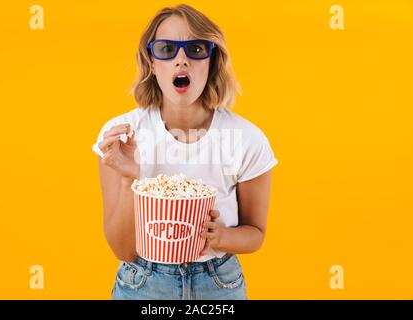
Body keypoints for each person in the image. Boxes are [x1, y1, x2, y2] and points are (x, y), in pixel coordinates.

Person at [92, 4, 278, 300]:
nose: (182, 60)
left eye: (196, 48)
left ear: (211, 60)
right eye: (166, 49)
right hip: (142, 283)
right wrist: (130, 179)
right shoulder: (121, 135)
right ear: (152, 62)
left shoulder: (247, 140)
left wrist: (222, 237)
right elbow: (122, 249)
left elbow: (255, 233)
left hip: (218, 284)